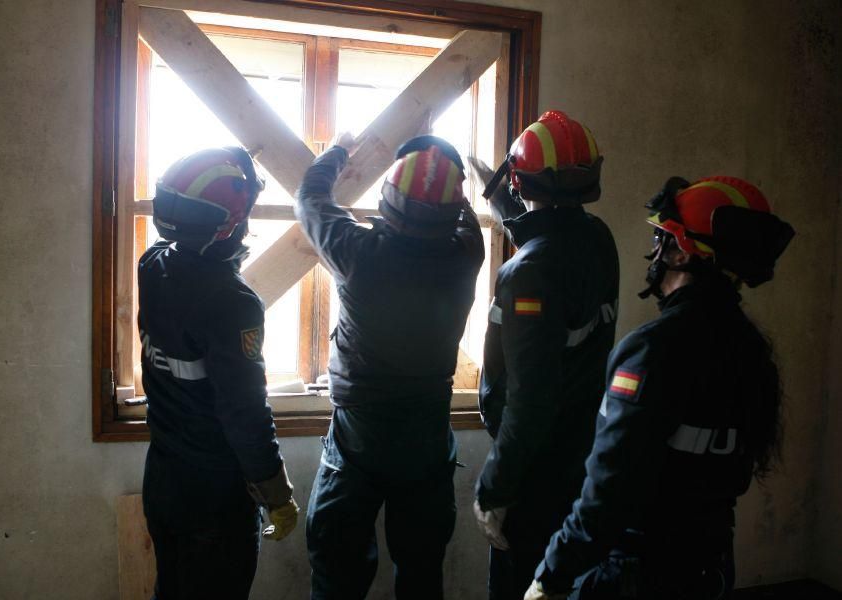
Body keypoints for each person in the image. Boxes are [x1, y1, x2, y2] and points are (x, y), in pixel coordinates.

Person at [525, 176, 795, 600]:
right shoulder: (750, 350)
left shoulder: (652, 350)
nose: (654, 250)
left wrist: (552, 574)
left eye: (662, 237)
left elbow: (610, 489)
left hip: (639, 574)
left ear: (684, 252)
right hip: (709, 567)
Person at [298, 133, 485, 599]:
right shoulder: (466, 254)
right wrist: (446, 169)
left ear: (387, 203)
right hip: (425, 436)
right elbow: (462, 213)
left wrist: (337, 152)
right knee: (421, 575)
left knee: (337, 576)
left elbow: (310, 199)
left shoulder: (358, 254)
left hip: (359, 434)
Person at [469, 110, 620, 600]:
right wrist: (503, 202)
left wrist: (496, 487)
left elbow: (529, 399)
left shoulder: (527, 273)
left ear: (519, 180)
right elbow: (554, 242)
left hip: (532, 469)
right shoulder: (599, 239)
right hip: (578, 453)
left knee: (518, 584)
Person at [138, 147, 299, 600]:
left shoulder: (152, 265)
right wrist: (276, 494)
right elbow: (245, 414)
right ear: (230, 225)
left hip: (164, 479)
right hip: (213, 498)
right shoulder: (232, 303)